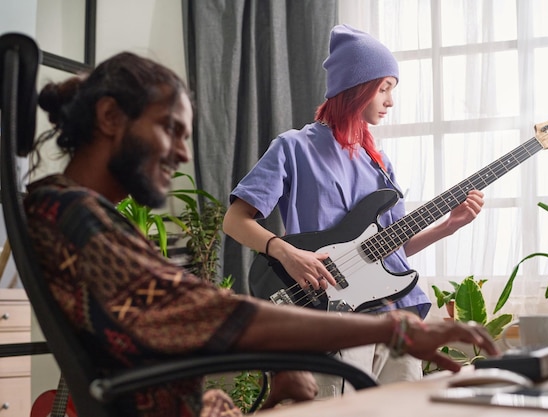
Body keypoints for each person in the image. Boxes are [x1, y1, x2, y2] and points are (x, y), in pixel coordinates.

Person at [25, 51, 496, 417]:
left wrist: (280, 372)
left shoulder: (73, 211)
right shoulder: (72, 215)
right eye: (171, 129)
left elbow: (181, 316)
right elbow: (204, 311)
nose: (185, 155)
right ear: (109, 118)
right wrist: (393, 329)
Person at [222, 24, 486, 396]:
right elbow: (235, 221)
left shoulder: (379, 163)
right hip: (337, 313)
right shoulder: (293, 148)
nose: (390, 101)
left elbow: (393, 252)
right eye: (384, 88)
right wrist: (288, 253)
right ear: (355, 87)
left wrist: (449, 226)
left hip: (395, 314)